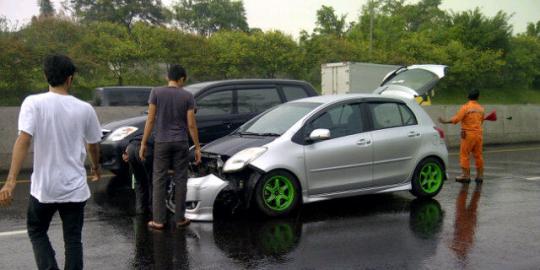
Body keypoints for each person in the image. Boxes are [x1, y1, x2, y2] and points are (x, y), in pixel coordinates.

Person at [0, 54, 102, 270]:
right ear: (70, 79)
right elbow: (93, 145)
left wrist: (11, 181)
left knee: (37, 230)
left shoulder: (33, 103)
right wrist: (95, 167)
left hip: (44, 188)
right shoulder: (85, 108)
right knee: (73, 240)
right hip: (74, 188)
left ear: (46, 76)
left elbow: (23, 140)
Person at [140, 64, 201, 230]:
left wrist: (143, 143)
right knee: (181, 179)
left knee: (159, 179)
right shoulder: (188, 96)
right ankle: (180, 219)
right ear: (182, 79)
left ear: (167, 77)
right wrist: (196, 147)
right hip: (181, 142)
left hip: (162, 142)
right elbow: (191, 124)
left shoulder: (156, 92)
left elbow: (150, 120)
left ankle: (158, 221)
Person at [439, 88, 485, 183]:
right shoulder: (481, 109)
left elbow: (457, 118)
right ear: (478, 97)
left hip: (468, 135)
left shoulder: (465, 107)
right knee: (478, 156)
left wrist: (445, 121)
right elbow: (482, 121)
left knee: (464, 155)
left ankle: (466, 176)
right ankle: (479, 176)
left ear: (468, 97)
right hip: (479, 134)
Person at [122, 133, 154, 215]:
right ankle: (153, 210)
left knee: (139, 182)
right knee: (153, 182)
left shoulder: (150, 129)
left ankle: (140, 210)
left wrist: (126, 152)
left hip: (130, 148)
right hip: (145, 149)